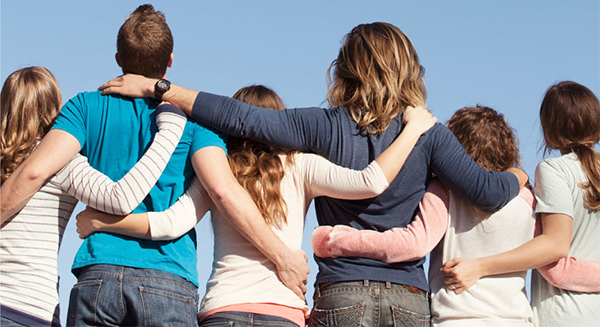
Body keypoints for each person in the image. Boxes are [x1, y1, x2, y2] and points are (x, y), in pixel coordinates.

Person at [98, 22, 528, 326]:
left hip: (339, 294)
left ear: (346, 68)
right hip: (408, 299)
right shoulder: (427, 133)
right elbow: (487, 193)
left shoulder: (322, 125)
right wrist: (519, 176)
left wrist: (161, 88)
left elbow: (242, 118)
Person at [0, 5, 308, 327]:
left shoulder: (84, 106)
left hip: (98, 273)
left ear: (118, 58)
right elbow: (222, 189)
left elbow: (34, 170)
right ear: (170, 59)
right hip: (169, 280)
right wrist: (282, 256)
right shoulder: (196, 120)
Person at [74, 84, 436, 327]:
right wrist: (412, 130)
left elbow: (171, 222)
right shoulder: (301, 166)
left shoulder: (220, 173)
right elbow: (370, 181)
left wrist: (106, 223)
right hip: (283, 313)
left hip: (223, 309)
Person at [312, 105, 537, 326]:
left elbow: (414, 244)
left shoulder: (443, 190)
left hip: (457, 318)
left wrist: (338, 240)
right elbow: (550, 253)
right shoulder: (528, 199)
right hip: (515, 318)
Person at [0, 66, 190, 326]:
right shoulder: (60, 161)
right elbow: (121, 197)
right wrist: (168, 133)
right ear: (56, 106)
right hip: (29, 306)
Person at [439, 81, 600, 326]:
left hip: (563, 313)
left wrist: (480, 266)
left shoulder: (553, 170)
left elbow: (554, 249)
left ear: (549, 126)